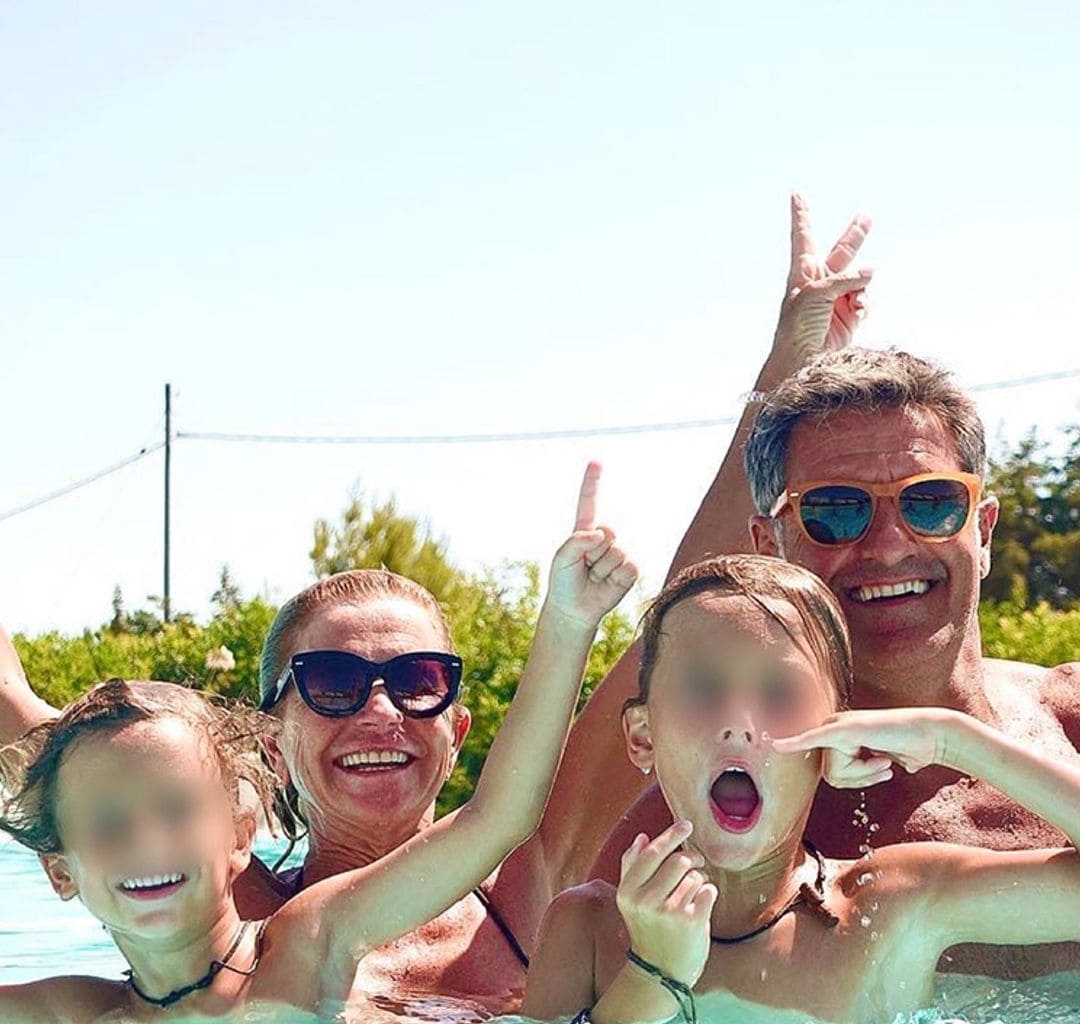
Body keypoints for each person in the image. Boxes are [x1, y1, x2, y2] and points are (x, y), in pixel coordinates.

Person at [587, 197, 1080, 977]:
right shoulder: (736, 802)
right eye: (834, 510)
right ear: (768, 545)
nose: (887, 545)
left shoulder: (1072, 717)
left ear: (981, 528)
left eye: (929, 501)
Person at [0, 464, 637, 1022]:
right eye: (333, 683)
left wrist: (569, 619)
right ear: (61, 869)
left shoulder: (304, 942)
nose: (380, 710)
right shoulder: (111, 976)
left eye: (419, 682)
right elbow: (51, 749)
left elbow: (502, 813)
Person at [524, 555, 1080, 1024]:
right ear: (644, 736)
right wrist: (652, 976)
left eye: (778, 691)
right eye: (703, 686)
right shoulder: (588, 929)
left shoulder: (891, 906)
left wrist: (950, 738)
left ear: (835, 735)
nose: (737, 720)